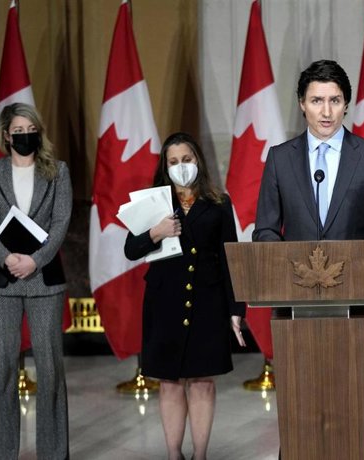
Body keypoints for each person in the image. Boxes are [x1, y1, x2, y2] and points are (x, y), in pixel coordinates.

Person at [253, 59, 364, 460]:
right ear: (302, 103)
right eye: (317, 100)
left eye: (335, 100)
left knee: (353, 411)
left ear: (347, 104)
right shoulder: (280, 159)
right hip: (296, 312)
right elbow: (265, 230)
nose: (326, 110)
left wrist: (350, 266)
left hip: (354, 311)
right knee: (300, 409)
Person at [124, 132, 246, 460]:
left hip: (208, 303)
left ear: (198, 161)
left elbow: (230, 257)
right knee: (170, 382)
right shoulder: (153, 203)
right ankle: (174, 454)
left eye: (187, 160)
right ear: (165, 167)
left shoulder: (219, 202)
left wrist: (237, 309)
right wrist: (155, 232)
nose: (181, 167)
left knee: (203, 381)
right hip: (165, 303)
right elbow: (130, 249)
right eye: (174, 162)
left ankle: (200, 455)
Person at [0, 102, 72, 459]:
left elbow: (61, 223)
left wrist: (35, 260)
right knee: (2, 367)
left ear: (38, 132)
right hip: (1, 281)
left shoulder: (57, 171)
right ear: (6, 136)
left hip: (44, 279)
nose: (24, 136)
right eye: (17, 131)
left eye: (29, 129)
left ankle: (53, 453)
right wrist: (6, 258)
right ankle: (2, 453)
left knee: (49, 368)